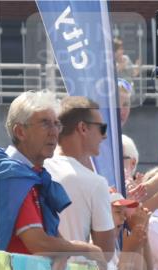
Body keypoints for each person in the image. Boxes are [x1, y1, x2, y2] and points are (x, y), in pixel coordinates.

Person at [0, 90, 105, 266]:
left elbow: (51, 238)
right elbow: (39, 243)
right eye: (45, 124)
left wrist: (62, 252)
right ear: (20, 131)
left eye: (57, 124)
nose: (54, 132)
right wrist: (85, 249)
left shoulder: (33, 175)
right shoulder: (13, 176)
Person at [43, 96, 116, 255]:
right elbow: (107, 254)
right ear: (83, 128)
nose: (104, 136)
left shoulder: (36, 168)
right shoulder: (95, 183)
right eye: (102, 128)